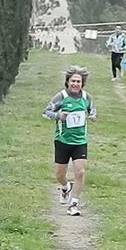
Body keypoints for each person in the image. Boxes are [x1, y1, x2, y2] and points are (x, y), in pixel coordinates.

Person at [42, 66, 97, 216]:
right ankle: (66, 186)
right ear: (67, 82)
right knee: (60, 175)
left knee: (80, 172)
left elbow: (93, 109)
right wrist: (59, 116)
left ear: (82, 83)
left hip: (80, 141)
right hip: (62, 141)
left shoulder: (86, 97)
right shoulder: (61, 96)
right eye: (73, 81)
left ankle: (74, 204)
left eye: (78, 81)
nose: (75, 84)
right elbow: (46, 112)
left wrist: (92, 116)